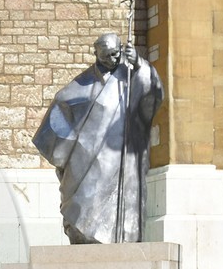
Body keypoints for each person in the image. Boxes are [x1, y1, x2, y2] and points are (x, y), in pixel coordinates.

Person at [32, 31, 164, 244]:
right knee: (83, 199)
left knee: (119, 203)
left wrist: (139, 63)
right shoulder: (84, 82)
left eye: (115, 54)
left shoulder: (131, 75)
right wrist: (62, 148)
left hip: (121, 155)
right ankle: (82, 234)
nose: (112, 59)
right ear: (96, 54)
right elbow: (62, 100)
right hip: (86, 155)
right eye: (106, 56)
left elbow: (154, 94)